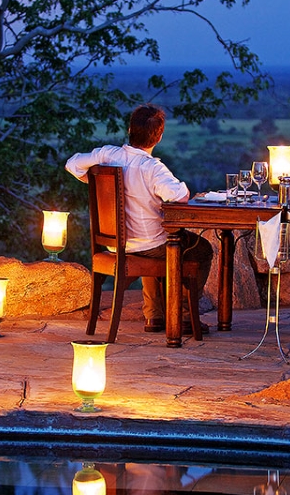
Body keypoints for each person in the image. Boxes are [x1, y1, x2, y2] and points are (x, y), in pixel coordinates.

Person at [66, 104, 213, 334]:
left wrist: (94, 179)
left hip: (117, 244)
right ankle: (184, 316)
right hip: (149, 245)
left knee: (156, 241)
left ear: (129, 129)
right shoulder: (152, 167)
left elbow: (72, 164)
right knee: (199, 249)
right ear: (159, 137)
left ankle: (154, 316)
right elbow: (181, 197)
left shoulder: (107, 155)